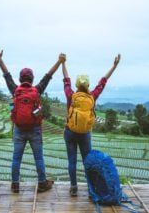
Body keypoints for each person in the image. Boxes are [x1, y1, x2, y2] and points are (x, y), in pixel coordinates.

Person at [0, 46, 66, 193]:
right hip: (34, 129)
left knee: (16, 158)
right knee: (38, 158)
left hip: (19, 130)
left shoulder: (15, 90)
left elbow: (6, 74)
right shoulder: (37, 90)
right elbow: (48, 75)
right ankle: (42, 183)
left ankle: (15, 185)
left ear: (21, 79)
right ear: (31, 79)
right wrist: (59, 61)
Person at [61, 53, 121, 196]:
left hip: (70, 132)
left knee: (72, 161)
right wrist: (114, 65)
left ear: (77, 84)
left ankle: (74, 187)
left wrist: (63, 63)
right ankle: (91, 188)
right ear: (87, 85)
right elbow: (103, 81)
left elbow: (66, 80)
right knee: (88, 161)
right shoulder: (92, 96)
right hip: (85, 134)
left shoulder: (71, 95)